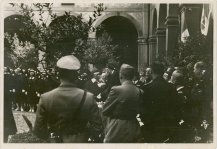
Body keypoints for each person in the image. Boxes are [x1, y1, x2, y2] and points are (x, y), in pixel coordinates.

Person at [33, 55, 103, 143]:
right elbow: (98, 128)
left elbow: (39, 130)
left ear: (58, 74)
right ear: (76, 76)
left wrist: (52, 137)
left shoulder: (45, 98)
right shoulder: (89, 97)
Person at [140, 61, 180, 143]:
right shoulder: (171, 87)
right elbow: (176, 106)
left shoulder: (146, 88)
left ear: (151, 71)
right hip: (167, 125)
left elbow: (143, 108)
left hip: (151, 126)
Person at [102, 64, 141, 143]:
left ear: (120, 75)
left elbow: (105, 110)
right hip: (134, 126)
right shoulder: (139, 91)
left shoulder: (116, 90)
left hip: (118, 127)